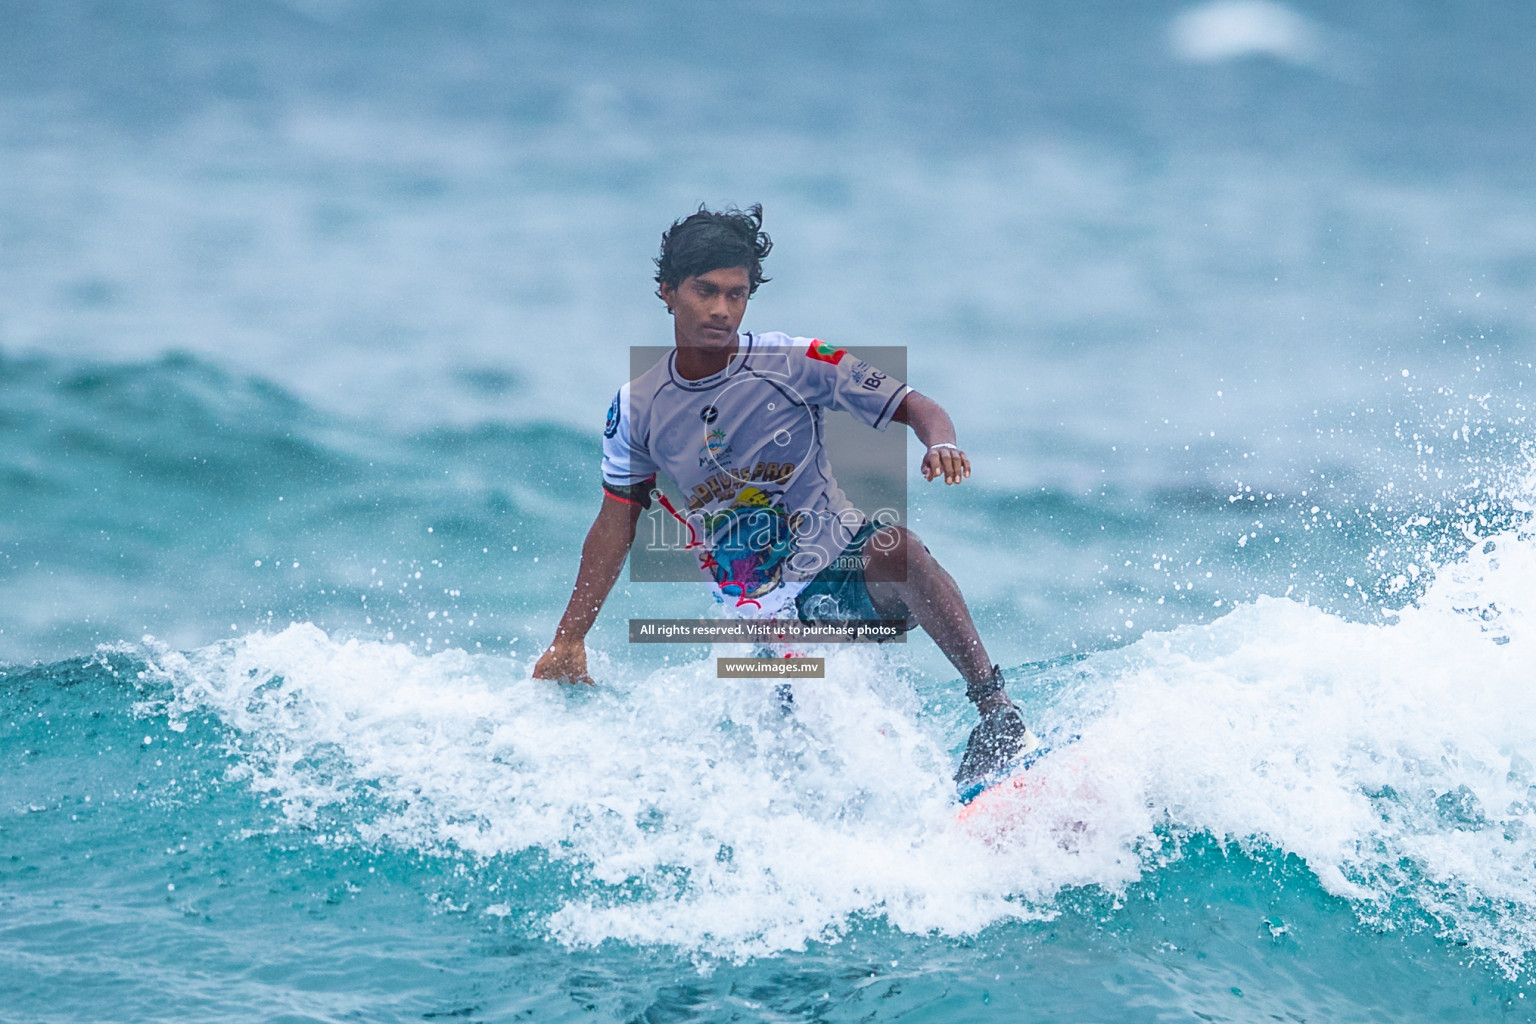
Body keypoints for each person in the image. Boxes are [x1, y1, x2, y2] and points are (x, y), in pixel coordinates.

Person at [532, 204, 1037, 791]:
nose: (722, 309)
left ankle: (996, 714)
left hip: (842, 569)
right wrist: (570, 638)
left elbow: (917, 405)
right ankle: (916, 810)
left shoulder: (795, 361)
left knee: (901, 549)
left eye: (737, 294)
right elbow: (615, 526)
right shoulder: (638, 406)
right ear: (667, 291)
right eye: (705, 291)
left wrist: (941, 443)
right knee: (824, 746)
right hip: (759, 616)